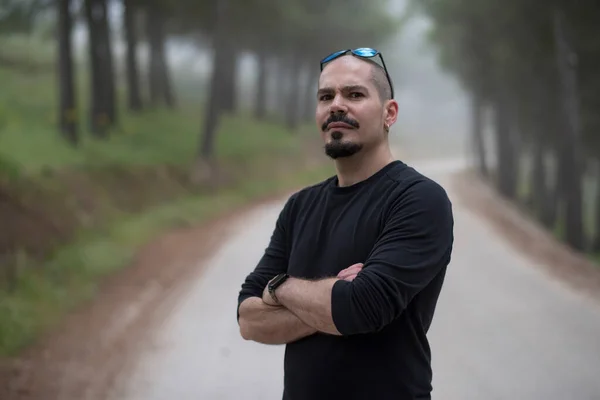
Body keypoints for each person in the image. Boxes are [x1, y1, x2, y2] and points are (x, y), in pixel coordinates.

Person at [236, 48, 454, 400]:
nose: (336, 105)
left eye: (354, 94)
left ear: (390, 113)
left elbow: (362, 308)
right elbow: (249, 320)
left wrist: (279, 289)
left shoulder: (419, 200)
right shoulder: (300, 206)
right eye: (326, 96)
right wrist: (334, 298)